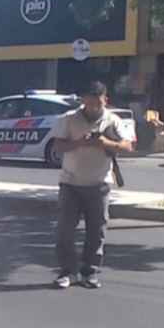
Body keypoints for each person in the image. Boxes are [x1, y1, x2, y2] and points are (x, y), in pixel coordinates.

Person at [47, 81, 132, 289]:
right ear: (83, 100)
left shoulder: (112, 120)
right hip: (70, 182)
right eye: (90, 103)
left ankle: (89, 271)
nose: (94, 108)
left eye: (98, 103)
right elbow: (57, 146)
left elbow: (128, 146)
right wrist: (79, 143)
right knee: (65, 230)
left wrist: (106, 143)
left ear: (105, 100)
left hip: (99, 183)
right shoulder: (69, 119)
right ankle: (68, 271)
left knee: (97, 230)